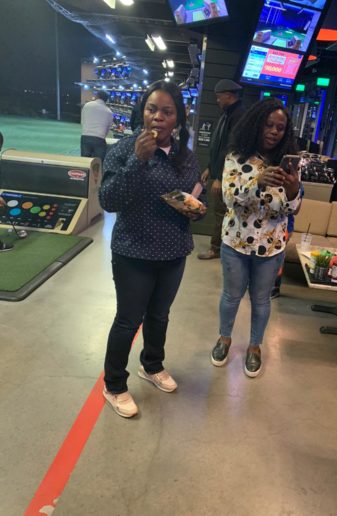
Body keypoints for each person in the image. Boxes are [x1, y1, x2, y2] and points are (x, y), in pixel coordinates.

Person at [99, 80, 206, 418]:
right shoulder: (124, 148)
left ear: (178, 118)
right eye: (152, 109)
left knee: (159, 316)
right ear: (142, 112)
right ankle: (114, 384)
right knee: (129, 320)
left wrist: (194, 207)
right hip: (133, 252)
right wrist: (138, 161)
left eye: (167, 111)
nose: (158, 117)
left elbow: (189, 200)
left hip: (173, 251)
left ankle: (152, 365)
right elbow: (108, 199)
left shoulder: (185, 156)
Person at [210, 98, 301, 378]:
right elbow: (229, 198)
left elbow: (290, 209)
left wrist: (294, 188)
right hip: (236, 241)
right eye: (269, 125)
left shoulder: (289, 165)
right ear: (256, 124)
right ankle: (224, 339)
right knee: (231, 296)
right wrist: (257, 182)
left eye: (281, 127)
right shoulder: (236, 157)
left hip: (271, 246)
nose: (274, 131)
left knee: (262, 300)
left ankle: (255, 346)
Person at [197, 79, 246, 260]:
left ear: (228, 95)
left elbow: (231, 150)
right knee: (220, 212)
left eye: (219, 97)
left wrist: (219, 177)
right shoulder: (228, 114)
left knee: (221, 212)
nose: (217, 101)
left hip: (228, 177)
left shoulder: (239, 115)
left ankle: (216, 248)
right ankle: (220, 247)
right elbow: (218, 146)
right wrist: (210, 167)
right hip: (220, 173)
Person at [270, 183, 304, 299]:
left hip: (284, 226)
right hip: (264, 225)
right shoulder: (269, 178)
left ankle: (274, 288)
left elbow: (295, 211)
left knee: (278, 257)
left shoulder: (297, 184)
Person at [80, 91, 114, 162]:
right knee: (98, 164)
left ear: (97, 96)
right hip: (99, 139)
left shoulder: (87, 105)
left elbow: (83, 121)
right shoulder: (109, 111)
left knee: (84, 162)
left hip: (85, 137)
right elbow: (108, 128)